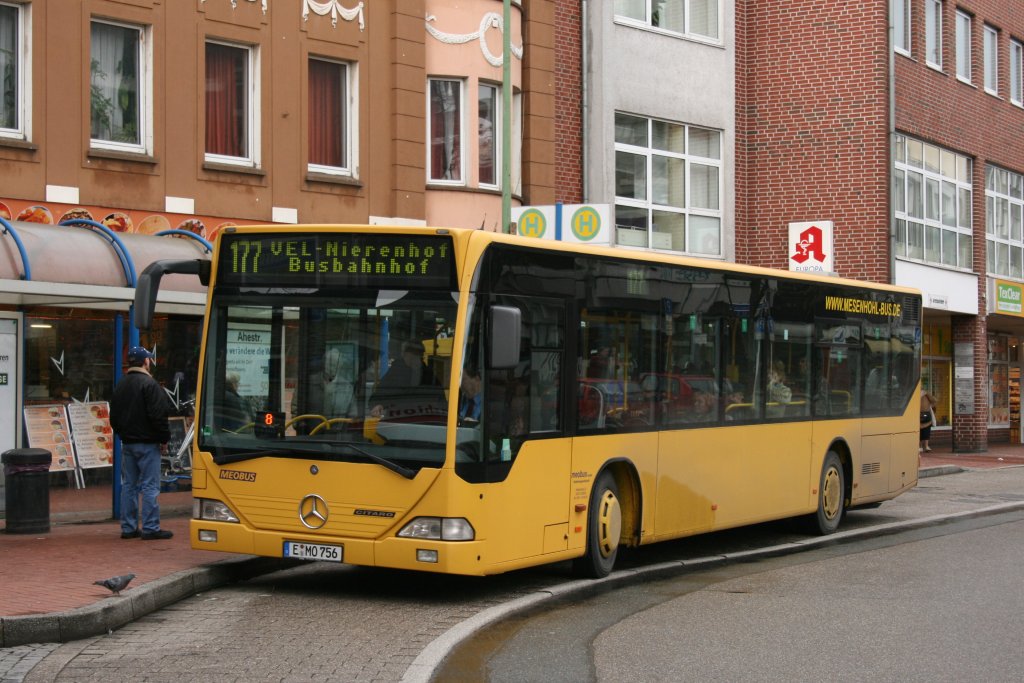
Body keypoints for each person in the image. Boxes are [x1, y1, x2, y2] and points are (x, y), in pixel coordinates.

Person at [109, 346, 174, 540]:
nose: (150, 363)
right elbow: (158, 416)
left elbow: (114, 417)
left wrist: (123, 433)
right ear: (145, 362)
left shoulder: (121, 384)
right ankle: (150, 527)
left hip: (128, 443)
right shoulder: (150, 384)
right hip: (148, 443)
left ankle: (128, 528)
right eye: (149, 360)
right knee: (150, 485)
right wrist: (164, 439)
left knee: (129, 484)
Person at [369, 340, 443, 419]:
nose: (414, 358)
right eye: (412, 355)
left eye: (418, 355)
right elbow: (380, 393)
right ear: (404, 355)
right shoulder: (396, 371)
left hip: (424, 420)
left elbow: (441, 399)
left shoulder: (428, 374)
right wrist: (378, 404)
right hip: (399, 420)